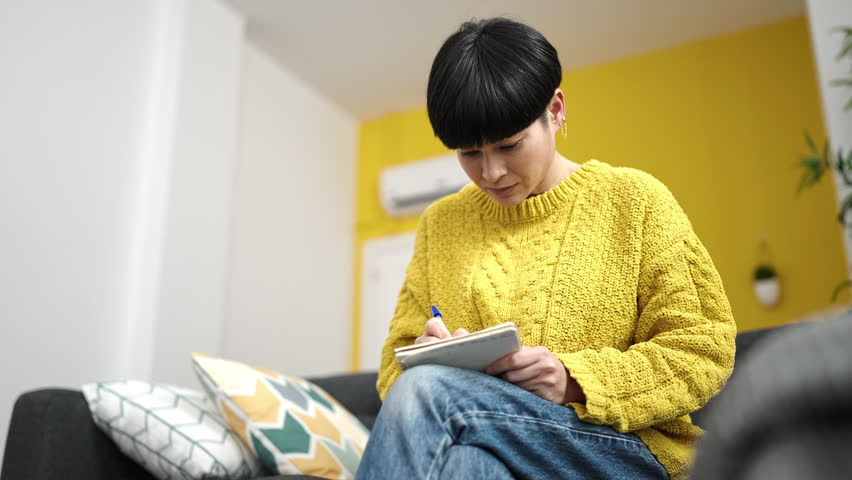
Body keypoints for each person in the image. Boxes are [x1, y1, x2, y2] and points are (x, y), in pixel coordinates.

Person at [355, 17, 736, 480]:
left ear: (555, 110)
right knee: (463, 465)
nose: (491, 172)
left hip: (625, 452)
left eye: (509, 145)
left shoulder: (635, 200)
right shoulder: (441, 224)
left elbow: (704, 349)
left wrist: (575, 381)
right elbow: (394, 369)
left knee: (425, 391)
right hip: (490, 447)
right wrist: (425, 352)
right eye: (469, 154)